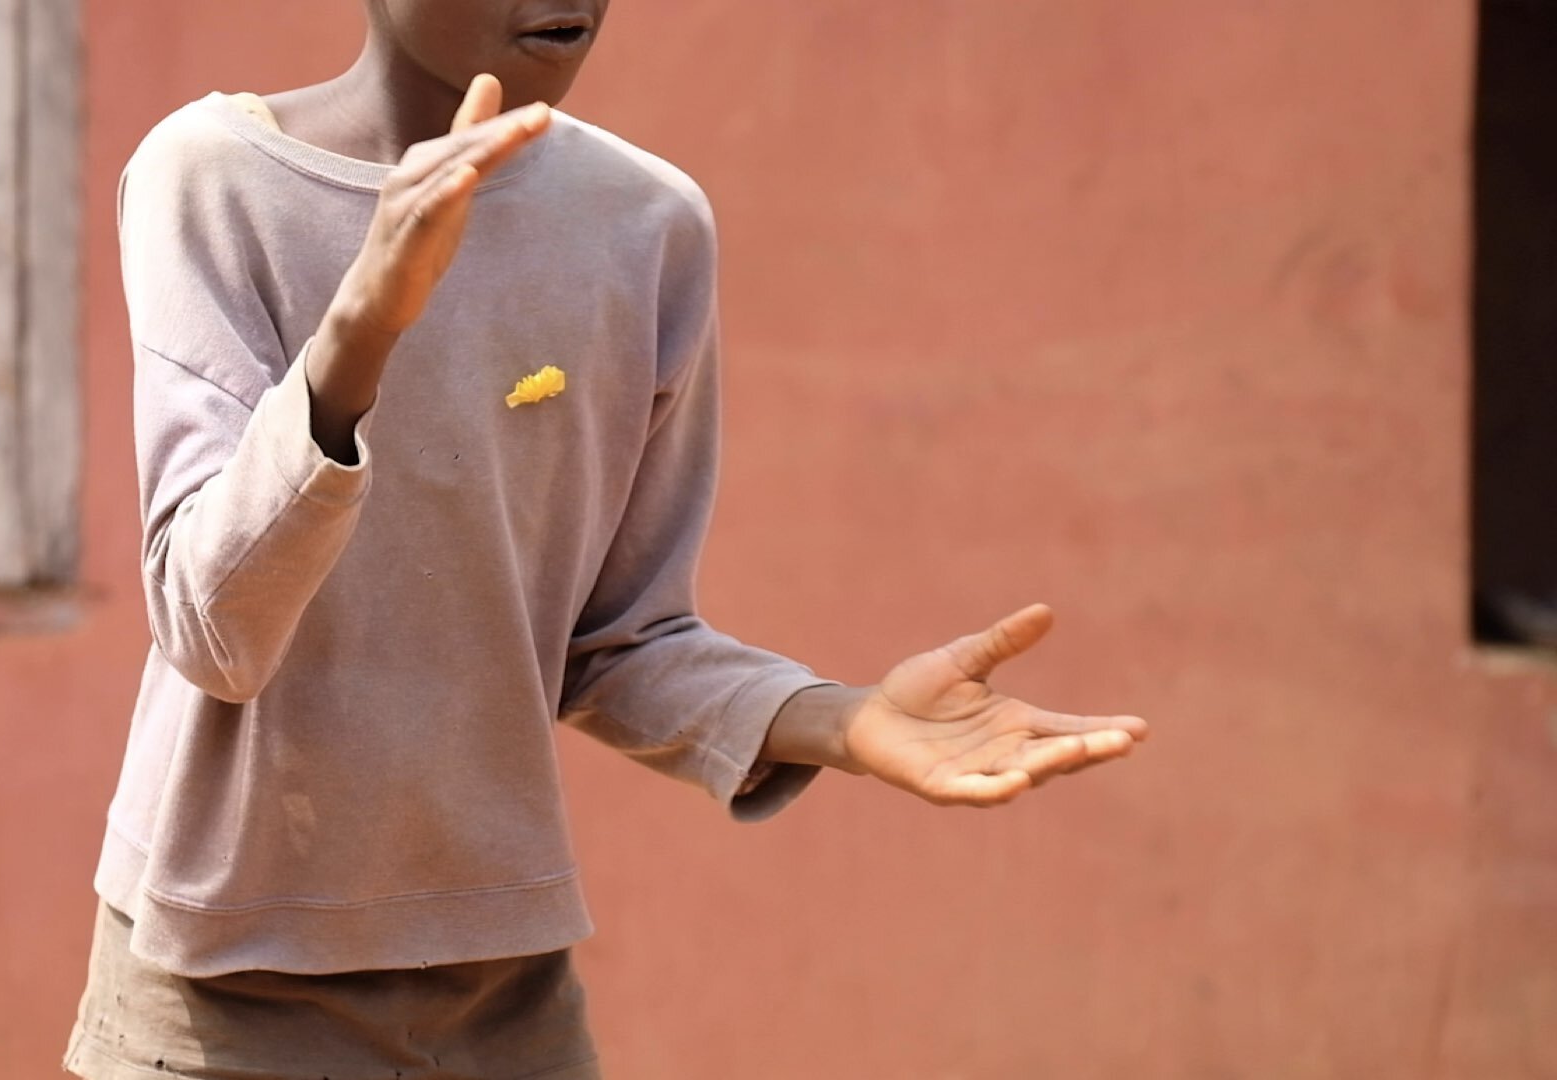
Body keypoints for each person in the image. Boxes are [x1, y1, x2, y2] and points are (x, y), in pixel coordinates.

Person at [64, 2, 1150, 1077]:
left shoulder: (645, 223)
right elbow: (214, 629)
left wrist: (845, 720)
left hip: (502, 993)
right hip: (217, 993)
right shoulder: (211, 180)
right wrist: (360, 330)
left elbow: (621, 638)